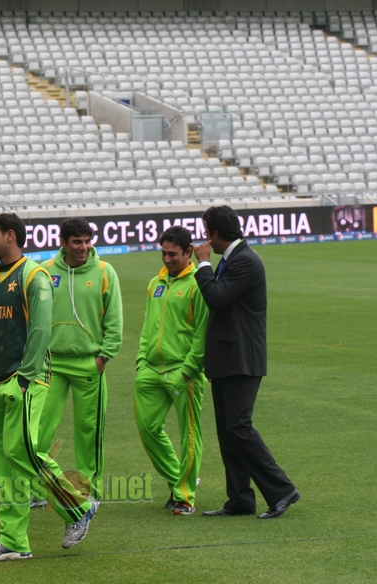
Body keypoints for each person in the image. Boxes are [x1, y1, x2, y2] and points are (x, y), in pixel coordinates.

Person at [0, 213, 97, 561]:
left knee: (23, 453)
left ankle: (78, 508)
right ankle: (13, 540)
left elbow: (41, 332)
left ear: (10, 236)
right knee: (5, 466)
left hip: (24, 380)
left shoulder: (34, 276)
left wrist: (25, 377)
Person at [192, 205, 300, 519]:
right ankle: (239, 498)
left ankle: (281, 490)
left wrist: (202, 265)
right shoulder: (235, 259)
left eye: (206, 232)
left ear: (213, 233)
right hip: (228, 358)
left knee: (239, 427)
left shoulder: (245, 261)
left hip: (242, 359)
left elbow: (215, 297)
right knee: (228, 431)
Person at [38, 217, 123, 501]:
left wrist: (104, 356)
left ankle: (90, 493)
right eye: (77, 242)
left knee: (89, 433)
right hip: (52, 365)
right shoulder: (46, 271)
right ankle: (35, 488)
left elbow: (114, 318)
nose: (84, 247)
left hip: (89, 363)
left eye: (87, 241)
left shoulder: (104, 271)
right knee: (37, 429)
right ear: (63, 243)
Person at [135, 226, 209, 516]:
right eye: (163, 253)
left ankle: (185, 494)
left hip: (183, 371)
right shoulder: (156, 282)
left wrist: (190, 369)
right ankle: (181, 479)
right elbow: (147, 324)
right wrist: (141, 360)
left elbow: (203, 330)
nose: (166, 259)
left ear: (188, 252)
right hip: (151, 370)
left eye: (173, 254)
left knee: (189, 435)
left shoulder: (197, 283)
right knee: (147, 428)